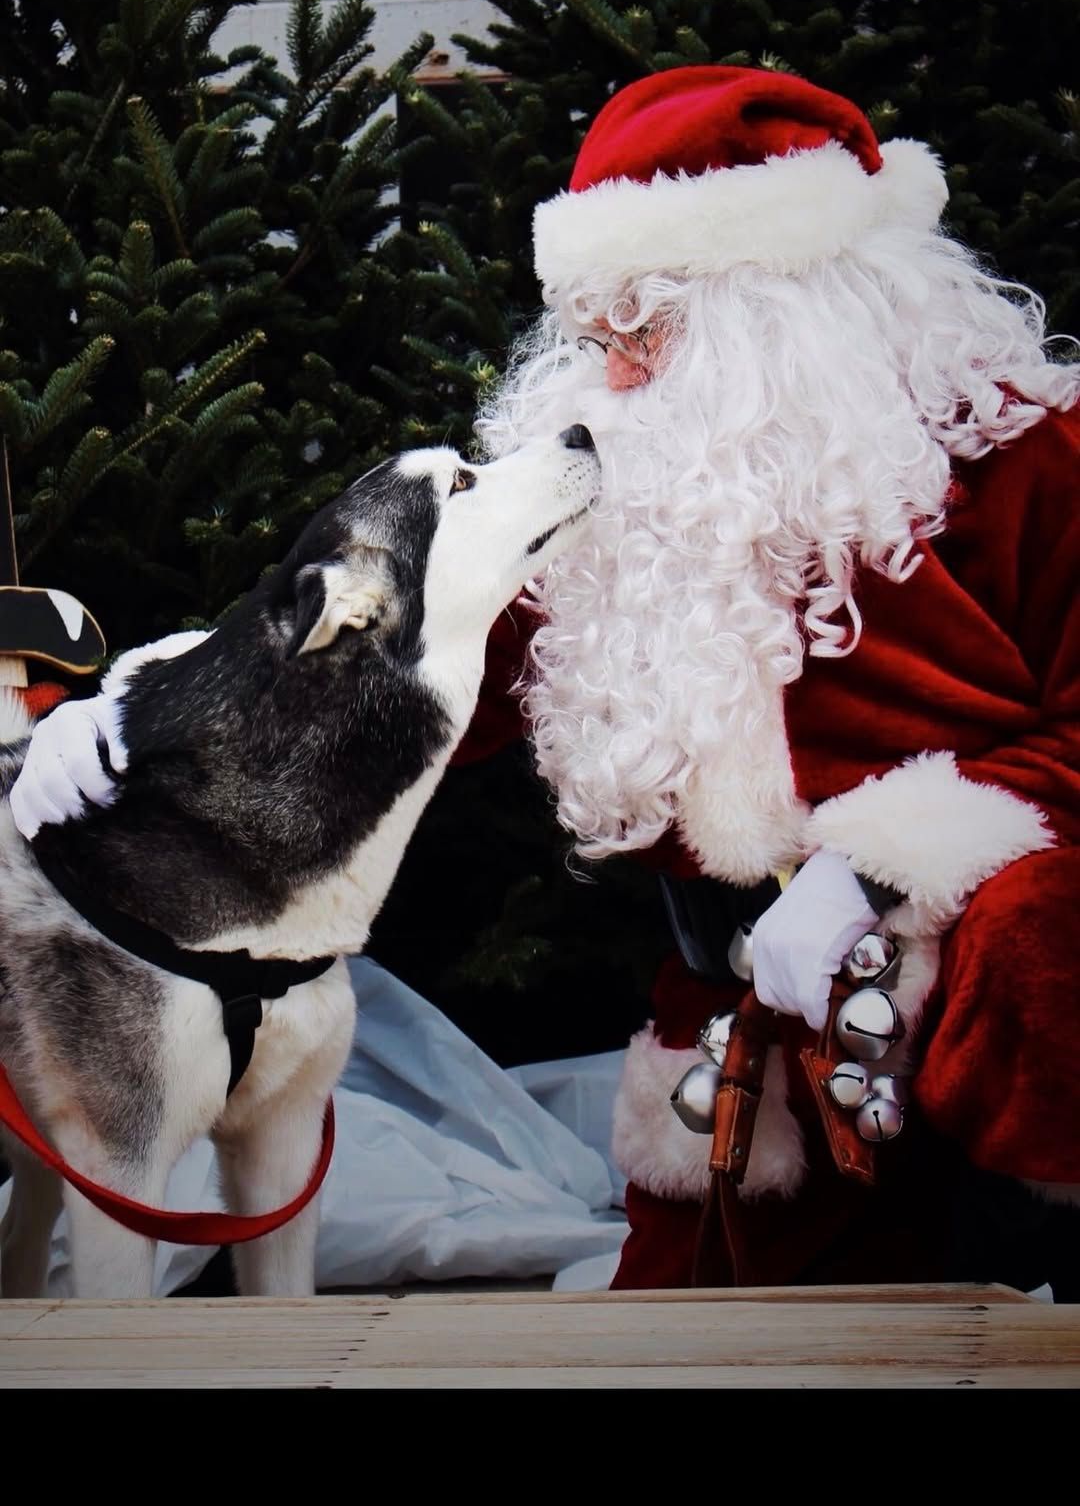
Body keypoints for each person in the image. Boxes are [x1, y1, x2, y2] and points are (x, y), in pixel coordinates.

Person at [12, 65, 1080, 1292]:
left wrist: (885, 872)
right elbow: (377, 648)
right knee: (685, 1352)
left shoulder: (1025, 461)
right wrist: (122, 720)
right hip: (748, 1046)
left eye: (649, 326)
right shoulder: (611, 472)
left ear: (795, 306)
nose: (612, 369)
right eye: (593, 328)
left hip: (977, 1015)